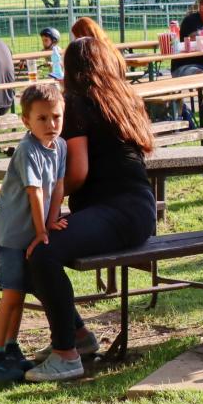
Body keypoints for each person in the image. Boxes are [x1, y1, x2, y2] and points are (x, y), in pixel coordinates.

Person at [25, 37, 157, 382]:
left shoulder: (76, 103)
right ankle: (79, 336)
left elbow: (78, 173)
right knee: (31, 246)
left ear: (70, 69)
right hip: (138, 209)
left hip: (118, 210)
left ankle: (66, 355)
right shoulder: (123, 97)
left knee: (42, 251)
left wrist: (48, 198)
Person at [0, 83, 67, 382]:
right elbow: (36, 193)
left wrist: (52, 220)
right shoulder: (27, 150)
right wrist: (42, 231)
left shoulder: (60, 146)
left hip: (31, 237)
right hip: (11, 238)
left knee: (19, 295)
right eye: (42, 118)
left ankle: (11, 346)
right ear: (26, 121)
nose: (51, 124)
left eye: (56, 117)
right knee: (10, 295)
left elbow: (58, 186)